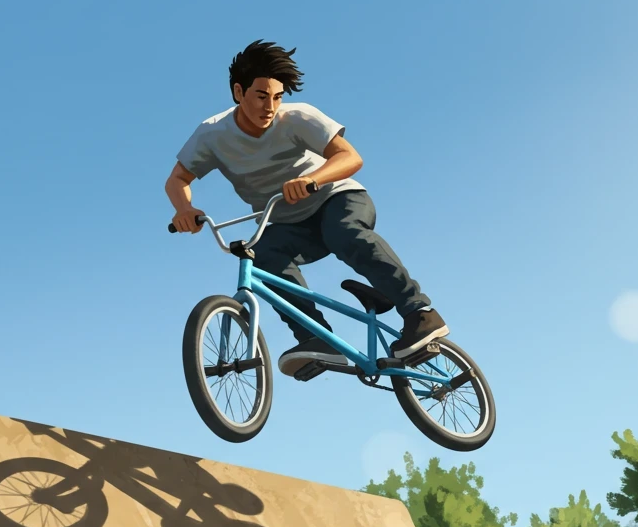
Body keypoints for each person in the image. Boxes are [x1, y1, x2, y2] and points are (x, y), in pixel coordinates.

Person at [165, 39, 449, 376]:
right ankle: (318, 339)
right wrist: (185, 209)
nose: (269, 107)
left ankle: (420, 312)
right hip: (287, 222)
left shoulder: (298, 117)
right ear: (239, 92)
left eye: (277, 96)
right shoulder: (212, 134)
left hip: (339, 198)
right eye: (260, 96)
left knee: (343, 232)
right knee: (265, 258)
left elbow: (350, 157)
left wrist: (313, 179)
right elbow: (178, 179)